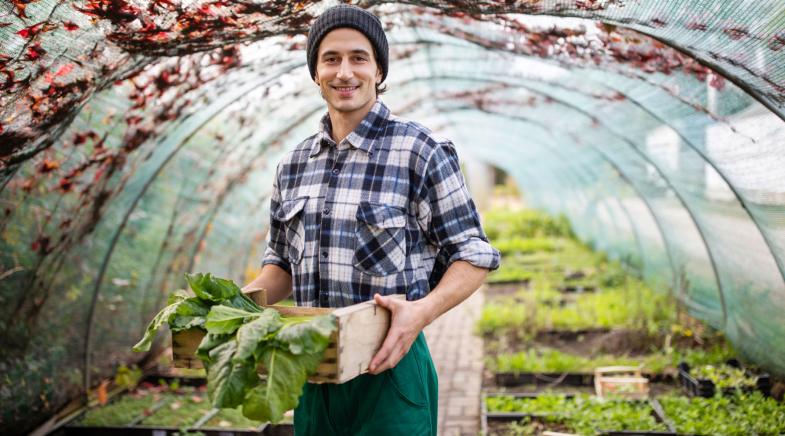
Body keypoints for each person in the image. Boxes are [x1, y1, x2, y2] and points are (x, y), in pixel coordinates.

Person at [241, 5, 500, 435]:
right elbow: (281, 263)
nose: (345, 72)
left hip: (390, 368)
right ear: (315, 72)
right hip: (311, 366)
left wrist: (421, 312)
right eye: (331, 59)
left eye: (359, 58)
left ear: (379, 70)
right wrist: (234, 308)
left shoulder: (421, 151)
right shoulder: (294, 164)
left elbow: (473, 254)